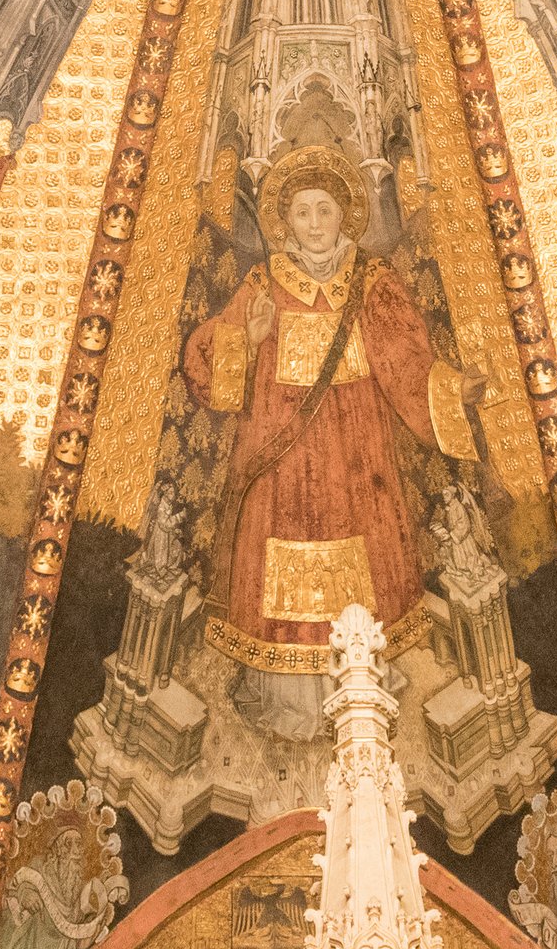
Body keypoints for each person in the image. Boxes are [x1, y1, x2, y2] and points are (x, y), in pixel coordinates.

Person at [179, 147, 478, 673]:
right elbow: (204, 361)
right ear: (286, 221)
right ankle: (274, 683)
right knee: (277, 548)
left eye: (324, 210)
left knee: (365, 542)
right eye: (302, 212)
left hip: (357, 452)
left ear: (344, 215)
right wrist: (248, 340)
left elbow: (406, 362)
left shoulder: (372, 280)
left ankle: (371, 670)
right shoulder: (263, 282)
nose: (314, 224)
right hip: (279, 453)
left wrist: (452, 390)